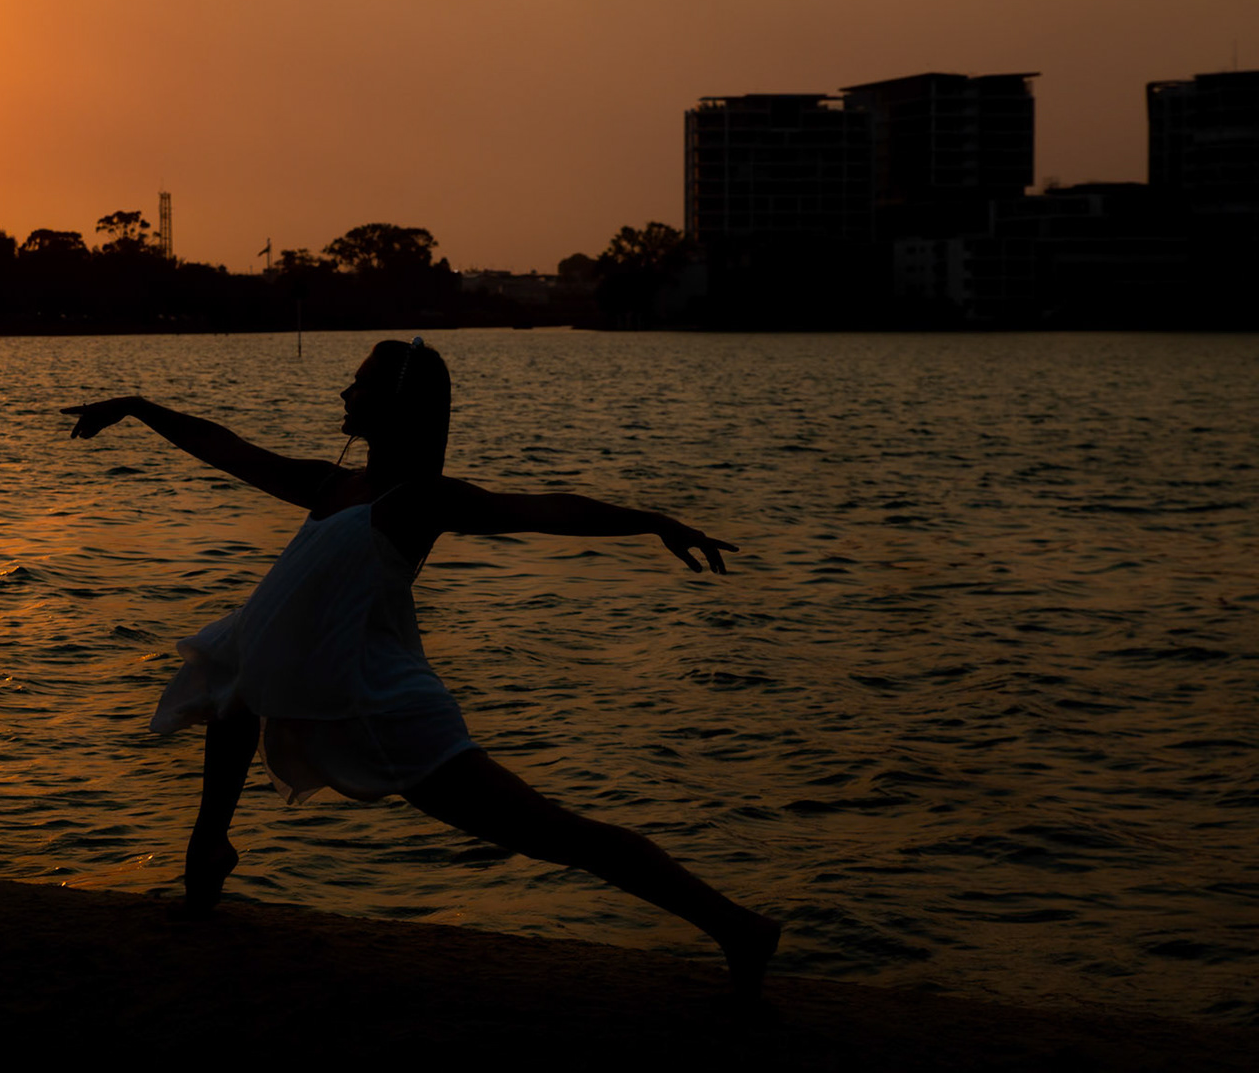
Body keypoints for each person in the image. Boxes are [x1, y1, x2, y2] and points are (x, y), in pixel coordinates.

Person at [62, 338, 780, 997]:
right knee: (235, 672)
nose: (345, 394)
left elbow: (544, 510)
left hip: (382, 709)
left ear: (397, 405)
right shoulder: (333, 487)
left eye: (360, 384)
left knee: (549, 832)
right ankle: (209, 847)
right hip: (324, 679)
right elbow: (231, 450)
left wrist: (653, 521)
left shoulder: (418, 500)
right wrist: (138, 408)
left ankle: (735, 927)